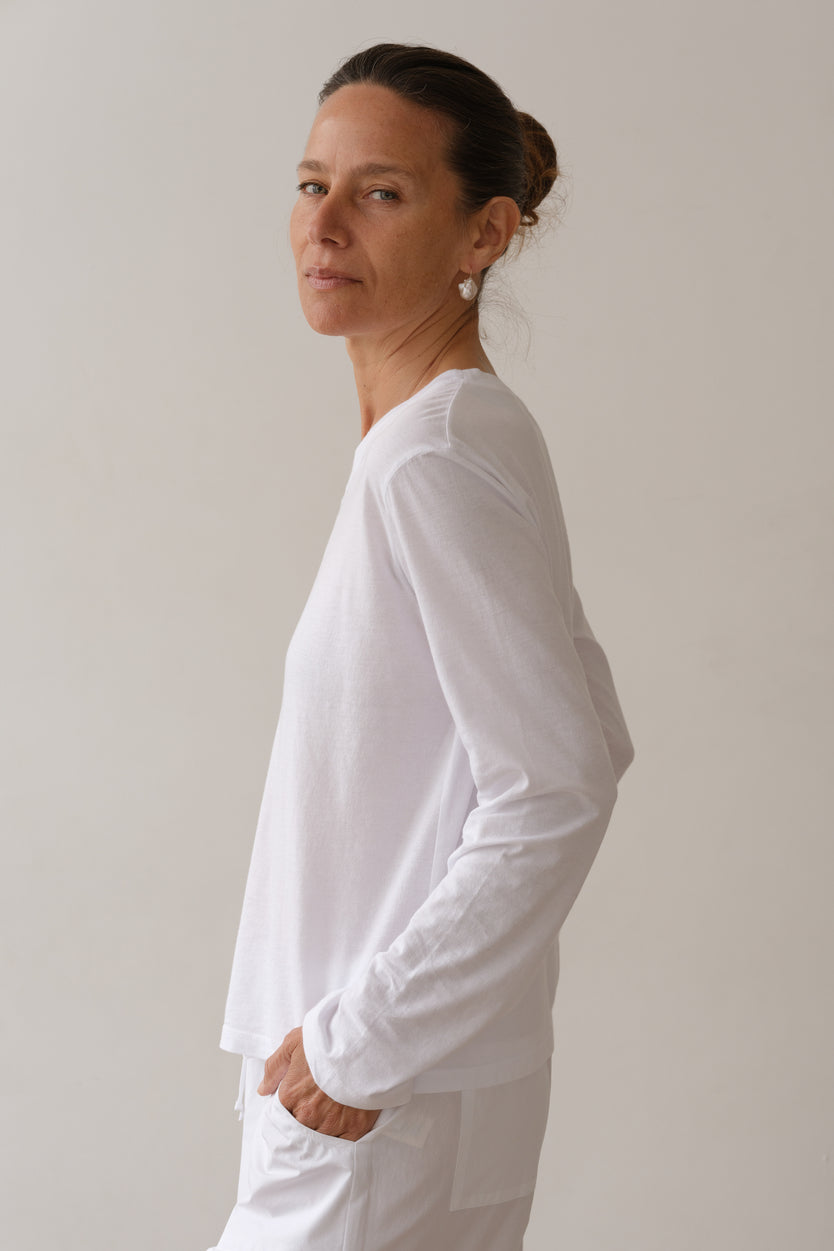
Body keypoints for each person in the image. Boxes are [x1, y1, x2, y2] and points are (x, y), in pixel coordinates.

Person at [208, 42, 633, 1251]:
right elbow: (593, 733)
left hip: (377, 1108)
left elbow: (558, 783)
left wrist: (361, 1044)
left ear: (484, 234)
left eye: (381, 192)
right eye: (312, 185)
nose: (325, 223)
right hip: (409, 1099)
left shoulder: (432, 454)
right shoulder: (463, 434)